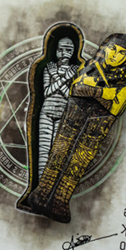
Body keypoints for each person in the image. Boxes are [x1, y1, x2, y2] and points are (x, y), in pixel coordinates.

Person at [27, 33, 126, 223]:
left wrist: (93, 91)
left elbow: (115, 108)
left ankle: (60, 202)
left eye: (121, 53)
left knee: (78, 163)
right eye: (112, 49)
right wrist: (107, 94)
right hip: (73, 116)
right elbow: (77, 89)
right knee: (58, 153)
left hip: (97, 126)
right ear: (104, 49)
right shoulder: (89, 66)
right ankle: (42, 194)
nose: (114, 55)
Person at [38, 37, 78, 178]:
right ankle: (39, 185)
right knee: (43, 153)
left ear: (73, 52)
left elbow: (69, 96)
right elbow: (47, 92)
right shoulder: (49, 68)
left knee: (57, 152)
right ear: (55, 51)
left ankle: (48, 186)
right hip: (46, 112)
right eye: (60, 50)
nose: (64, 53)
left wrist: (56, 76)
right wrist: (64, 77)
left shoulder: (75, 71)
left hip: (63, 113)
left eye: (68, 50)